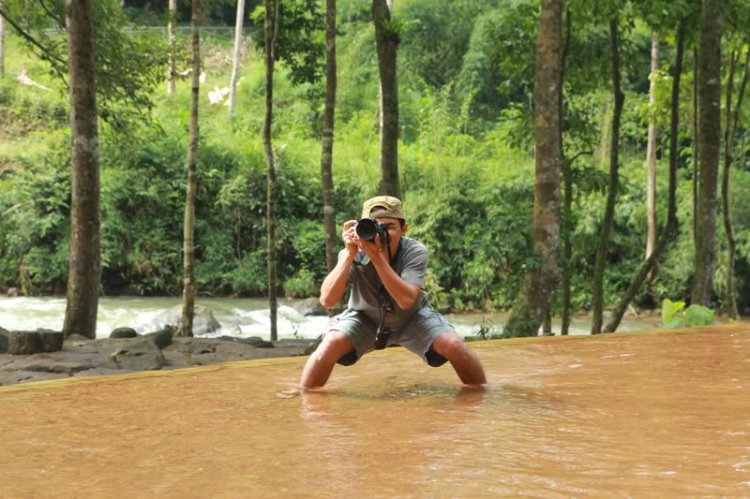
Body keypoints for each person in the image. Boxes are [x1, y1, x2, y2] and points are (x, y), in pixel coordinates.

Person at [300, 196, 486, 389]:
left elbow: (406, 300)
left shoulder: (414, 251)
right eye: (374, 227)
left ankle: (480, 398)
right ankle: (306, 404)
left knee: (455, 346)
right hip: (364, 318)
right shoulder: (354, 252)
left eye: (388, 227)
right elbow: (327, 300)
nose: (380, 234)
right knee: (329, 345)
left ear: (404, 229)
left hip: (412, 317)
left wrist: (376, 257)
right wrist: (349, 255)